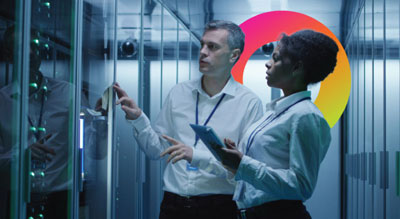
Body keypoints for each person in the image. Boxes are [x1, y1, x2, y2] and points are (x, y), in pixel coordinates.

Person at [114, 20, 263, 219]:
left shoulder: (249, 103)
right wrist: (138, 118)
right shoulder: (179, 93)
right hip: (172, 205)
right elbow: (156, 149)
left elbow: (244, 169)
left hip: (219, 208)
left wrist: (195, 155)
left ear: (234, 55)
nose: (202, 52)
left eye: (212, 47)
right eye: (202, 44)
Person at [185, 29, 338, 219]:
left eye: (276, 58)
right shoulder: (275, 112)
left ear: (296, 68)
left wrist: (243, 164)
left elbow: (301, 187)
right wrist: (236, 160)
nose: (268, 63)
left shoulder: (305, 116)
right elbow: (257, 171)